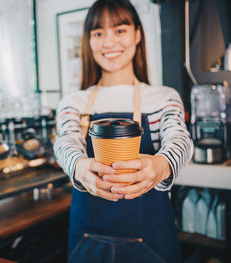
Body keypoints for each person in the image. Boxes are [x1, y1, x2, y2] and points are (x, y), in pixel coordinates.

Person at [53, 0, 193, 262]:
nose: (108, 42)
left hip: (152, 242)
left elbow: (180, 140)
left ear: (137, 34)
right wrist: (79, 167)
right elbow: (65, 142)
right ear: (89, 41)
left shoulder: (163, 98)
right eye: (98, 33)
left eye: (119, 30)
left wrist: (161, 166)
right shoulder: (74, 102)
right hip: (86, 243)